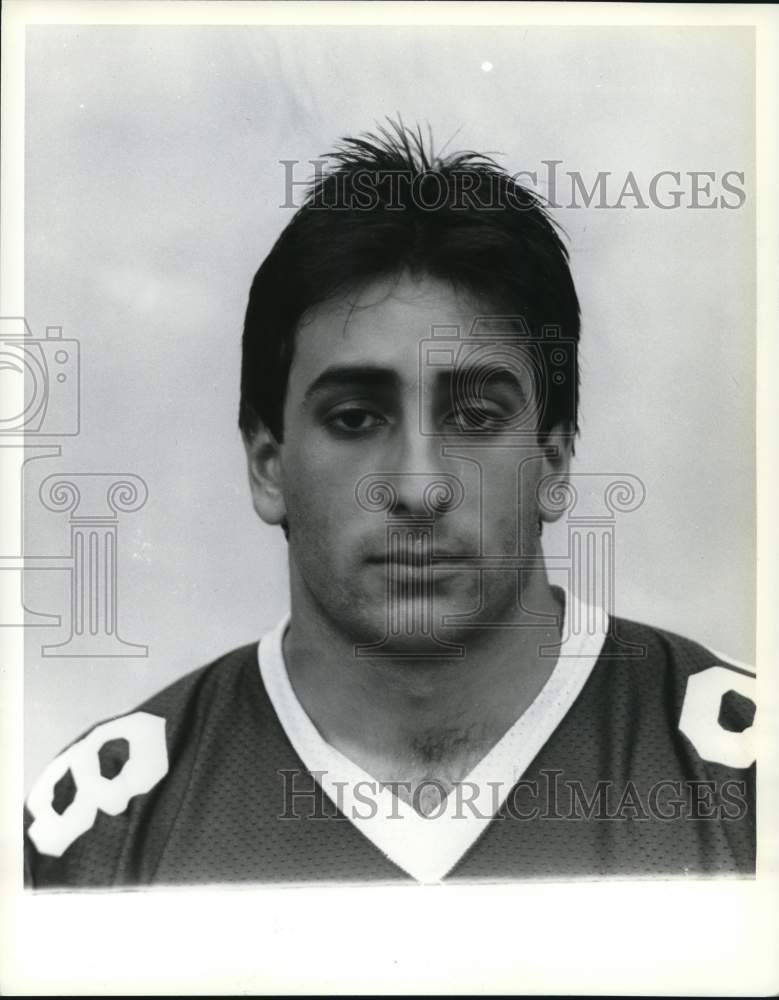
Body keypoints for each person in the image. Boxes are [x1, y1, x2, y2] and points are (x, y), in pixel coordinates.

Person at [24, 122, 756, 888]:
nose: (418, 487)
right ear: (267, 465)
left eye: (475, 417)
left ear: (552, 459)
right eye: (354, 419)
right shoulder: (104, 831)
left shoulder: (746, 777)